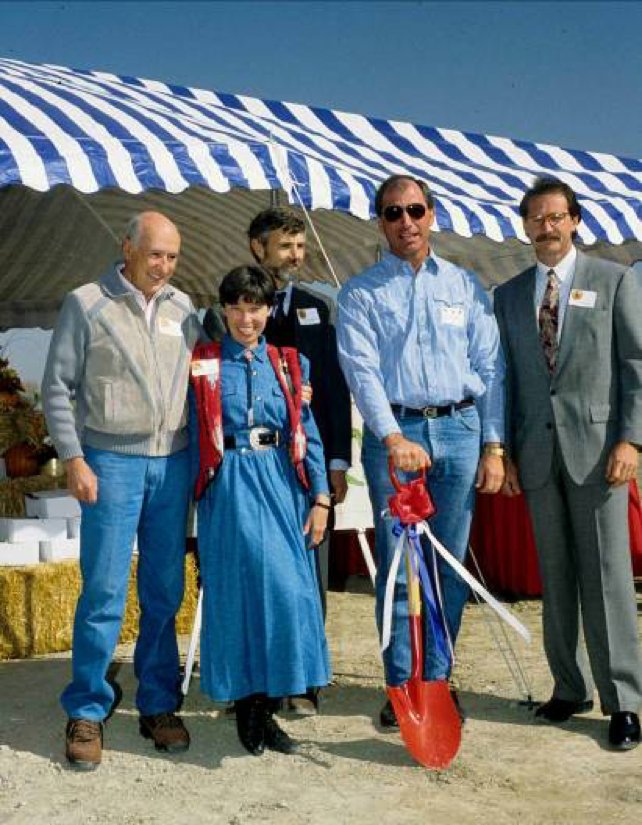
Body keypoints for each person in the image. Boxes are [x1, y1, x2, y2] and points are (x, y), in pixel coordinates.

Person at [336, 175, 505, 729]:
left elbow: (491, 369)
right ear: (380, 222)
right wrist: (392, 438)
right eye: (393, 213)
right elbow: (362, 373)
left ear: (431, 213)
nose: (405, 221)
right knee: (399, 567)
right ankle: (402, 684)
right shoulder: (360, 293)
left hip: (460, 430)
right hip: (398, 436)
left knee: (449, 565)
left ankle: (436, 680)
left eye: (414, 210)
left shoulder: (465, 285)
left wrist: (493, 444)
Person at [42, 211, 201, 770]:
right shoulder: (86, 303)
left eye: (173, 257)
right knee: (104, 589)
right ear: (127, 247)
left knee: (165, 590)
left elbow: (202, 383)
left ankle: (158, 702)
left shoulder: (185, 309)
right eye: (155, 254)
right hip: (109, 463)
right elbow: (56, 387)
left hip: (173, 464)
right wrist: (74, 458)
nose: (164, 266)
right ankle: (87, 707)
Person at [494, 177, 642, 750]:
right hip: (536, 455)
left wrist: (631, 441)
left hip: (601, 454)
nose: (547, 227)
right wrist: (504, 452)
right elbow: (504, 379)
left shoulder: (614, 279)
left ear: (575, 220)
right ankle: (569, 686)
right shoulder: (508, 295)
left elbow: (635, 365)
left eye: (556, 216)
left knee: (607, 578)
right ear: (525, 227)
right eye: (536, 218)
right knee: (554, 578)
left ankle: (623, 700)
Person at [191, 265, 331, 756]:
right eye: (236, 307)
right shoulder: (203, 363)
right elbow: (189, 428)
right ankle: (249, 708)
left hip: (281, 483)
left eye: (255, 308)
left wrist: (321, 497)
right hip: (228, 485)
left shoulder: (291, 365)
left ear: (269, 311)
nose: (246, 318)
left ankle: (271, 701)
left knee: (288, 593)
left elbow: (308, 431)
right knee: (238, 594)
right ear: (223, 310)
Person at [204, 208, 352, 618]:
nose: (296, 255)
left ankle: (308, 654)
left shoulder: (319, 307)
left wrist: (337, 463)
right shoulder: (223, 316)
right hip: (247, 471)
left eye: (301, 246)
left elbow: (334, 391)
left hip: (308, 465)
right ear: (258, 246)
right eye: (285, 245)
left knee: (309, 573)